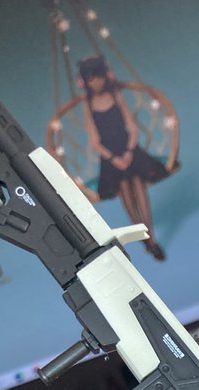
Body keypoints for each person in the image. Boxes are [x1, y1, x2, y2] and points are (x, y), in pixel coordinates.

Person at [77, 55, 174, 260]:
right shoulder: (88, 105)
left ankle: (150, 237)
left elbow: (132, 127)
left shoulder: (116, 96)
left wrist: (129, 151)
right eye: (91, 79)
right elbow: (95, 141)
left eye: (99, 77)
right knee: (124, 188)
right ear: (86, 82)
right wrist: (114, 159)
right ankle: (144, 237)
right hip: (110, 156)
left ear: (105, 76)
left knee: (137, 182)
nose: (96, 82)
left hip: (129, 148)